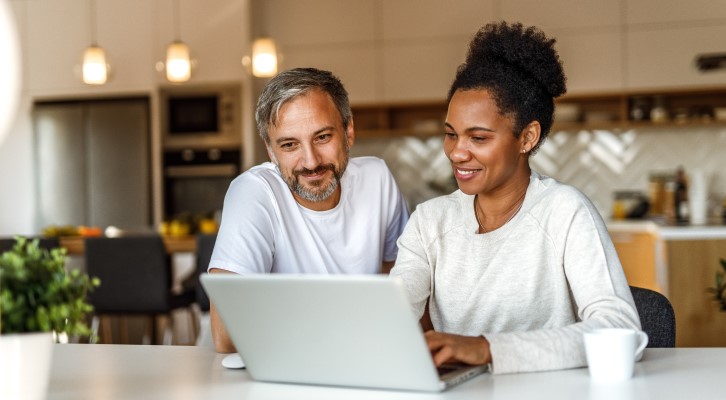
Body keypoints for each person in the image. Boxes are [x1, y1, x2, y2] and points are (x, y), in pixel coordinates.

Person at [389, 22, 641, 374]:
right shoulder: (430, 221)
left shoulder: (564, 211)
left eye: (478, 138)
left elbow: (621, 328)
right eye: (451, 135)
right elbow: (393, 315)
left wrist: (487, 348)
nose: (457, 153)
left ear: (527, 138)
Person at [208, 67, 409, 353]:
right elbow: (226, 336)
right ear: (270, 150)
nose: (311, 161)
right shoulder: (253, 192)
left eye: (323, 137)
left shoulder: (377, 178)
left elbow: (404, 286)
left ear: (348, 131)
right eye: (289, 145)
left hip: (360, 357)